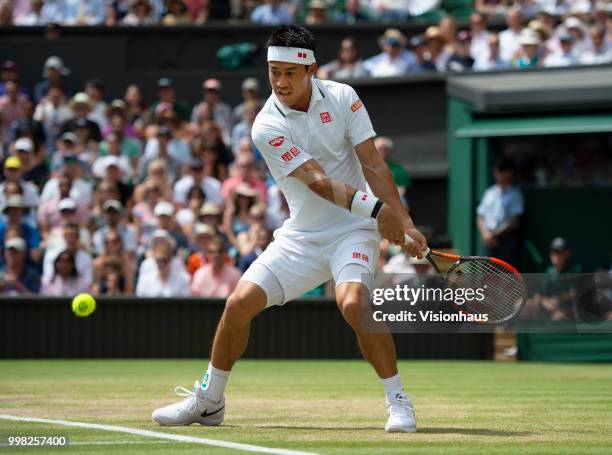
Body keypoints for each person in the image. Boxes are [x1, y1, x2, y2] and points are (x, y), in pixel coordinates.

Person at [152, 25, 426, 433]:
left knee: (353, 304)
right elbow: (316, 181)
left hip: (353, 229)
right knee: (237, 305)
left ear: (311, 69)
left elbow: (372, 164)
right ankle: (209, 401)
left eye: (289, 73)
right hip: (303, 236)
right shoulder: (265, 125)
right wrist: (379, 210)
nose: (280, 82)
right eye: (273, 72)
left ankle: (398, 401)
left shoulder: (343, 97)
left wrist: (404, 222)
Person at [476, 159, 523, 266]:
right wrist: (486, 235)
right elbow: (480, 216)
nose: (498, 173)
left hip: (505, 241)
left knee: (506, 276)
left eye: (502, 170)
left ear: (509, 173)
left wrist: (494, 236)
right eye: (497, 170)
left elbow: (514, 221)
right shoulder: (489, 192)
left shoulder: (515, 194)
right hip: (488, 241)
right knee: (487, 276)